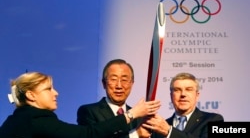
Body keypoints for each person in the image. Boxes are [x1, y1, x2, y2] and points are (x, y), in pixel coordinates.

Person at [0, 71, 161, 138]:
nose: (56, 93)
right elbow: (88, 134)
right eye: (48, 89)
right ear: (31, 95)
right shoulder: (37, 120)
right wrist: (131, 114)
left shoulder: (16, 120)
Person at [77, 59, 151, 138]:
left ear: (132, 84)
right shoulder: (88, 112)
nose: (119, 86)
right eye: (113, 79)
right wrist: (135, 135)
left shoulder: (139, 118)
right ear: (104, 84)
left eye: (124, 80)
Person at [141, 72, 224, 138]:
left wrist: (169, 132)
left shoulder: (213, 120)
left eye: (189, 90)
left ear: (197, 95)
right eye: (177, 90)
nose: (183, 94)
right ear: (171, 96)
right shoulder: (159, 128)